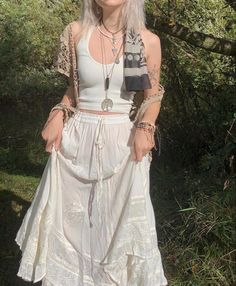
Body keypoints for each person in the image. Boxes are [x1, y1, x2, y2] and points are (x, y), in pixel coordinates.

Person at [15, 0, 168, 285]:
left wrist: (146, 127)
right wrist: (59, 113)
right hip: (78, 138)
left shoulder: (147, 40)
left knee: (116, 227)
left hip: (122, 143)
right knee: (70, 224)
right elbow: (74, 90)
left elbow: (153, 96)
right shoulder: (75, 32)